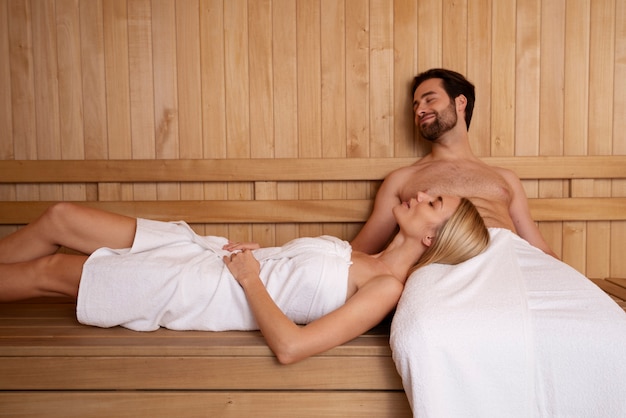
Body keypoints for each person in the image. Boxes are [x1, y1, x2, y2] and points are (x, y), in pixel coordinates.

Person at [0, 195, 489, 365]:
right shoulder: (365, 256)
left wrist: (252, 278)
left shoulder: (386, 290)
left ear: (431, 238)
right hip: (213, 254)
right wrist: (262, 257)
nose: (422, 194)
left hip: (203, 290)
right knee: (62, 217)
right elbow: (295, 276)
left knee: (52, 272)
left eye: (433, 204)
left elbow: (292, 348)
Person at [351, 68, 557, 258]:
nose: (420, 110)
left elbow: (539, 249)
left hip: (507, 259)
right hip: (444, 263)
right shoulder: (401, 179)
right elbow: (361, 249)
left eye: (429, 100)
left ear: (460, 103)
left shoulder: (506, 178)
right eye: (415, 106)